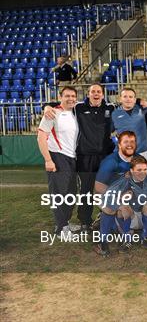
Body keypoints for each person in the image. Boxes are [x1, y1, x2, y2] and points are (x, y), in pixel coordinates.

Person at [42, 84, 115, 231]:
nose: (96, 94)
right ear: (88, 94)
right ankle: (85, 220)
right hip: (85, 157)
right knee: (86, 191)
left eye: (98, 91)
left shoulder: (111, 108)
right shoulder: (79, 107)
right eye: (93, 91)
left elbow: (127, 107)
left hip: (105, 157)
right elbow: (60, 105)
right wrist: (46, 107)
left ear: (102, 94)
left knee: (106, 189)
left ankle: (105, 218)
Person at [94, 155, 147, 256]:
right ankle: (127, 239)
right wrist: (121, 200)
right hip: (130, 217)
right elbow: (105, 197)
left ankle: (144, 237)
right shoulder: (124, 180)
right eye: (138, 170)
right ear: (131, 170)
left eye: (144, 169)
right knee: (123, 208)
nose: (142, 173)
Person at [37, 86, 79, 237]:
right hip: (57, 157)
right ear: (61, 97)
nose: (70, 98)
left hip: (73, 159)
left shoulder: (76, 112)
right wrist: (48, 160)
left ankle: (65, 223)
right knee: (59, 194)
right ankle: (61, 228)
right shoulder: (52, 113)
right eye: (67, 96)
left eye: (73, 96)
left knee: (71, 193)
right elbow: (41, 138)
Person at [93, 131, 137, 195]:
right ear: (119, 145)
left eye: (132, 141)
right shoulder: (110, 161)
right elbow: (98, 187)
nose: (129, 145)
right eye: (125, 142)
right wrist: (119, 195)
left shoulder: (139, 159)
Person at [112, 88, 147, 160]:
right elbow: (108, 133)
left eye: (130, 97)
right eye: (125, 96)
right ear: (120, 99)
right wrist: (117, 142)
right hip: (123, 153)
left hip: (141, 153)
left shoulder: (142, 109)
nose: (128, 99)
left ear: (135, 100)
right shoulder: (114, 114)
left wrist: (140, 101)